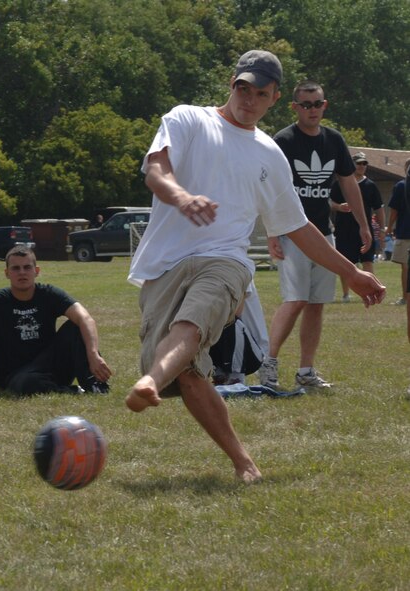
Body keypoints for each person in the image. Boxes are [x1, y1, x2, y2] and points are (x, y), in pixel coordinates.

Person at [125, 51, 385, 483]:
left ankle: (150, 380)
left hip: (226, 262)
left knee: (192, 325)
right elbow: (156, 169)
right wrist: (181, 197)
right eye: (242, 88)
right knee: (188, 372)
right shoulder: (188, 119)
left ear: (274, 98)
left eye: (260, 93)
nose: (248, 99)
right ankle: (243, 460)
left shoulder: (269, 154)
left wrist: (351, 272)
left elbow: (297, 227)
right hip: (164, 265)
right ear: (231, 83)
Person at [261, 80, 373, 390]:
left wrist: (364, 224)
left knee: (316, 303)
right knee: (295, 299)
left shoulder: (334, 140)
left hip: (324, 234)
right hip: (290, 232)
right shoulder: (283, 141)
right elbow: (267, 189)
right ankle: (267, 363)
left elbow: (349, 183)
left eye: (318, 103)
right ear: (294, 107)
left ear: (325, 105)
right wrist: (272, 232)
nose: (313, 109)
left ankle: (306, 371)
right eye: (306, 104)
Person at [0, 246, 111, 395]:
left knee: (76, 326)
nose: (22, 272)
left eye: (27, 267)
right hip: (16, 375)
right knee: (28, 384)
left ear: (36, 271)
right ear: (7, 273)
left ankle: (96, 387)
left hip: (49, 366)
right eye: (15, 268)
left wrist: (93, 354)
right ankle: (73, 391)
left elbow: (85, 318)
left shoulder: (49, 294)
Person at [330, 152, 385, 302]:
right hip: (344, 230)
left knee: (367, 261)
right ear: (352, 164)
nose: (362, 166)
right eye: (359, 163)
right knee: (346, 262)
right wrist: (339, 207)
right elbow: (329, 202)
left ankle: (370, 291)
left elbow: (378, 208)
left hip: (364, 230)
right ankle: (346, 294)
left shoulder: (370, 185)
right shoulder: (340, 183)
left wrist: (382, 229)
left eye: (364, 164)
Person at [386, 159, 410, 305]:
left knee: (406, 266)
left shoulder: (401, 186)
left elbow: (394, 210)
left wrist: (389, 227)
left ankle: (406, 298)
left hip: (405, 231)